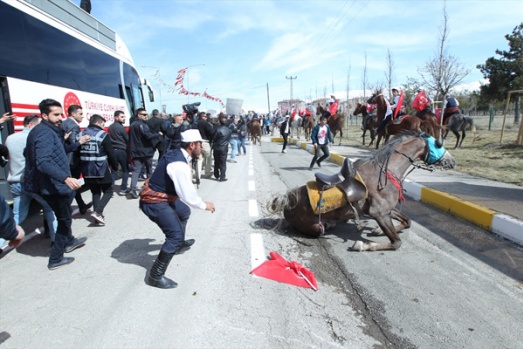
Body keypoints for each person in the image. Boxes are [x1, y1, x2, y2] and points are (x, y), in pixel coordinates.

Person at [139, 129, 215, 289]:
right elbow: (186, 194)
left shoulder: (178, 153)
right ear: (192, 145)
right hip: (154, 202)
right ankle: (155, 276)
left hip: (162, 197)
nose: (201, 148)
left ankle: (179, 243)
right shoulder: (179, 164)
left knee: (183, 212)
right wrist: (204, 205)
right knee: (174, 235)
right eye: (200, 145)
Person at [24, 98, 87, 270]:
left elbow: (29, 154)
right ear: (44, 115)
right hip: (51, 185)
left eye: (62, 114)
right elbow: (43, 162)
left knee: (63, 213)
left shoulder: (46, 131)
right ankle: (56, 258)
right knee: (64, 219)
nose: (61, 118)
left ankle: (70, 241)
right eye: (56, 114)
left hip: (51, 184)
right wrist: (65, 178)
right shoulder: (44, 133)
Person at [4, 115, 57, 240]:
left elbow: (8, 157)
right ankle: (58, 241)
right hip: (32, 183)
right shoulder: (35, 138)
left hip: (15, 182)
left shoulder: (10, 138)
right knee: (51, 209)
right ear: (30, 125)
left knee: (17, 216)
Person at [79, 114, 119, 225]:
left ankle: (97, 217)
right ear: (97, 123)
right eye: (102, 124)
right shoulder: (102, 135)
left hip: (86, 170)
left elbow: (77, 153)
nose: (103, 127)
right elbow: (110, 153)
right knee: (108, 191)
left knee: (95, 192)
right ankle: (98, 212)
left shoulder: (81, 134)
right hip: (101, 168)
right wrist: (115, 167)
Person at [61, 104, 92, 215]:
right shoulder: (73, 126)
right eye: (80, 114)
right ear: (73, 114)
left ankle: (81, 205)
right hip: (72, 160)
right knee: (73, 184)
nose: (82, 116)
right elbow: (74, 142)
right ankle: (64, 209)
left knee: (74, 184)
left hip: (66, 159)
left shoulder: (63, 123)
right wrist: (83, 140)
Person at [129, 108, 161, 199]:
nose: (146, 116)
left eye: (146, 114)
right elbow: (148, 136)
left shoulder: (132, 125)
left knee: (136, 171)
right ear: (138, 115)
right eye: (144, 114)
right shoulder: (142, 125)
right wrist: (158, 134)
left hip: (136, 151)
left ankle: (132, 189)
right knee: (149, 170)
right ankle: (149, 188)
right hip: (146, 151)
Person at [108, 110, 130, 194]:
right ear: (116, 117)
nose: (124, 118)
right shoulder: (121, 128)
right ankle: (123, 189)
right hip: (121, 151)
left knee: (114, 170)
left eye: (124, 117)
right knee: (125, 170)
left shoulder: (110, 127)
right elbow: (127, 139)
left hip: (113, 151)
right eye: (122, 117)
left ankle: (110, 189)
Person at [212, 113, 232, 182]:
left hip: (217, 148)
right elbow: (228, 139)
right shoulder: (229, 130)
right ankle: (222, 177)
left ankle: (216, 174)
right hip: (224, 148)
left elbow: (214, 138)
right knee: (223, 163)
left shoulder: (217, 130)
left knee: (216, 161)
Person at [196, 111, 214, 180]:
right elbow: (211, 132)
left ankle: (198, 175)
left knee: (199, 159)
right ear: (203, 117)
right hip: (205, 142)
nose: (206, 117)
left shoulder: (195, 123)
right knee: (208, 159)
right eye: (205, 116)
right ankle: (207, 173)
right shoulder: (206, 123)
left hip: (197, 142)